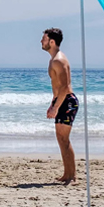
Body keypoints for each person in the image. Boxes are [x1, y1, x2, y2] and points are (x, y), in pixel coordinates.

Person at [41, 27, 79, 185]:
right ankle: (67, 174)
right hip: (61, 100)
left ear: (52, 41)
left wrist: (56, 107)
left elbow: (64, 86)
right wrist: (53, 103)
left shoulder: (59, 60)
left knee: (64, 138)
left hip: (67, 101)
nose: (41, 42)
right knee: (61, 138)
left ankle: (72, 176)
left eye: (43, 39)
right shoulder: (53, 59)